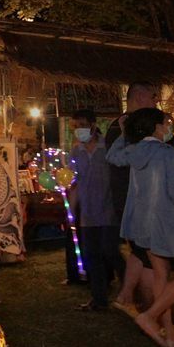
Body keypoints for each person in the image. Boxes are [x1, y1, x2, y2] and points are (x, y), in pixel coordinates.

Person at [109, 108, 174, 347]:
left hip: (142, 225)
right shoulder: (170, 154)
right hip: (168, 223)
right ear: (157, 127)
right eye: (166, 122)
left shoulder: (134, 150)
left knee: (161, 275)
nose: (168, 126)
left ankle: (170, 334)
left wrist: (123, 133)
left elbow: (112, 156)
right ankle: (150, 316)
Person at [105, 82, 164, 317]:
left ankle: (126, 297)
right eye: (153, 95)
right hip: (139, 203)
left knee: (140, 253)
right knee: (152, 258)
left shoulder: (125, 127)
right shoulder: (127, 128)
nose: (156, 101)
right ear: (139, 97)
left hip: (137, 202)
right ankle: (151, 314)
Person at [69, 109, 117, 311]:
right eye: (75, 125)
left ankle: (131, 293)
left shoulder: (107, 148)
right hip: (88, 213)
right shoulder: (76, 152)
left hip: (108, 210)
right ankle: (99, 300)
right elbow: (75, 182)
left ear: (93, 125)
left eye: (82, 124)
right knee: (93, 257)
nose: (79, 129)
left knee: (111, 253)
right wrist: (72, 208)